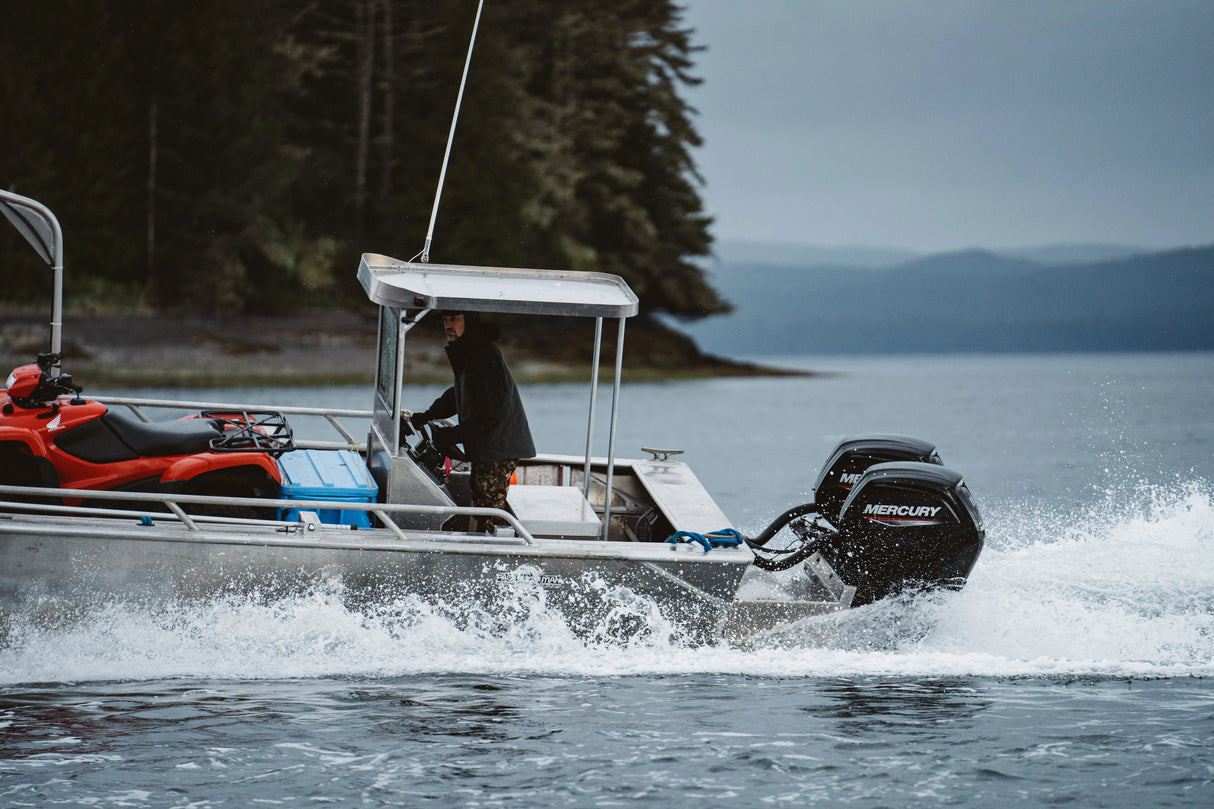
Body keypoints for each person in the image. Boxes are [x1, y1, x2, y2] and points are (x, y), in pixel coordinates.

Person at [410, 311, 535, 532]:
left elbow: (490, 411)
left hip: (499, 445)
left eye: (454, 319)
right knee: (481, 497)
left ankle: (512, 556)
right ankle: (493, 551)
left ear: (469, 321)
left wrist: (455, 434)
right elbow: (460, 394)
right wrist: (428, 415)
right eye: (445, 320)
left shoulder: (482, 354)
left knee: (490, 506)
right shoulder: (470, 350)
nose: (448, 325)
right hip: (490, 445)